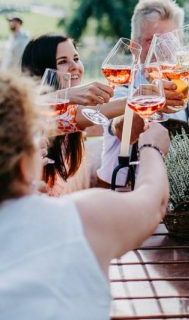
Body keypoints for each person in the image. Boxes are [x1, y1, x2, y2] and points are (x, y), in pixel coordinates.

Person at [0, 71, 169, 320]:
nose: (43, 145)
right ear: (24, 164)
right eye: (37, 139)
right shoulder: (77, 219)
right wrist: (151, 148)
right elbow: (154, 203)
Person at [97, 0, 189, 187]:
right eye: (152, 40)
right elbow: (122, 130)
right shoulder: (121, 87)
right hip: (124, 197)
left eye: (169, 40)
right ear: (134, 47)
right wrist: (155, 102)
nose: (161, 48)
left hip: (181, 205)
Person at [21, 34, 123, 196]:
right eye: (62, 61)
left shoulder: (66, 109)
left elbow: (101, 115)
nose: (74, 66)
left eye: (76, 58)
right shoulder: (34, 115)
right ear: (41, 70)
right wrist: (65, 95)